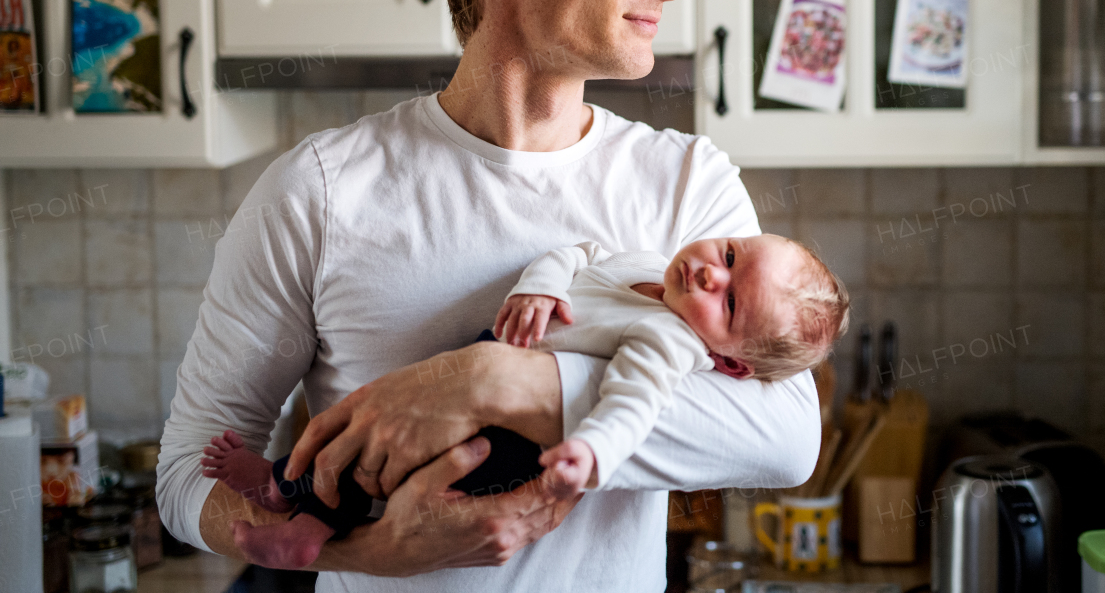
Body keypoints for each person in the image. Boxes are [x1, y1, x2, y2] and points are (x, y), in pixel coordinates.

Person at [157, 0, 822, 590]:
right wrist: (359, 551)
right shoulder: (318, 193)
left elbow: (784, 438)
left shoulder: (686, 182)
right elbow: (187, 475)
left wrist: (493, 379)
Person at [198, 235, 848, 569]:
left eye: (729, 301)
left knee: (404, 473)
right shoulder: (647, 263)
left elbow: (634, 402)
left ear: (728, 361)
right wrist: (538, 289)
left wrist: (591, 451)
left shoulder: (671, 338)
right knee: (373, 429)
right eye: (730, 252)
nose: (712, 271)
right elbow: (576, 254)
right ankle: (285, 484)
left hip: (515, 442)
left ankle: (308, 526)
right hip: (491, 348)